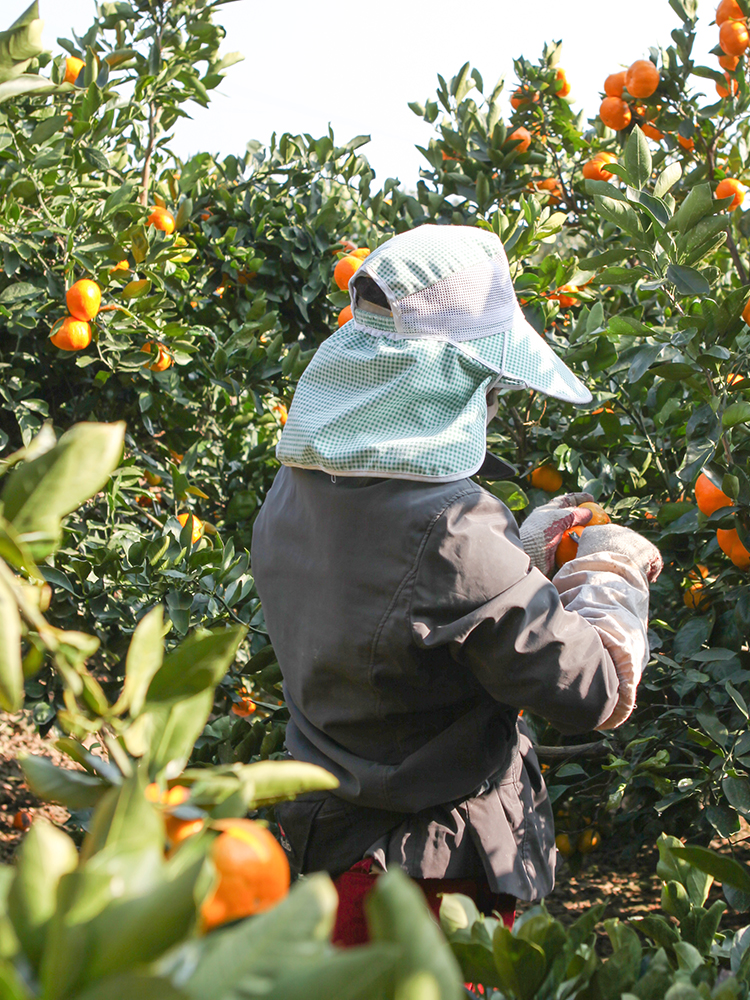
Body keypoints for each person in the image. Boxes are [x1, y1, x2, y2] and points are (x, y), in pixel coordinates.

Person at [250, 224, 662, 944]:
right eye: (487, 387)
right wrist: (609, 566)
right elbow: (594, 690)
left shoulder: (296, 484)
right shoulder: (454, 527)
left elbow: (401, 601)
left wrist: (516, 555)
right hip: (427, 881)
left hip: (329, 840)